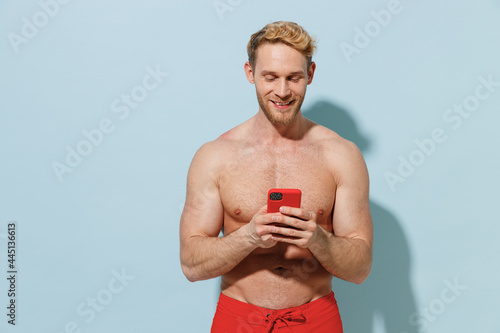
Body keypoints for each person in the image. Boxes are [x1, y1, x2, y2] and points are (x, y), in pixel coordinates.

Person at [179, 21, 373, 332]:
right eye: (270, 77)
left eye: (293, 78)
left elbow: (360, 268)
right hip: (239, 318)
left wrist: (318, 239)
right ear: (249, 73)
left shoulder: (342, 155)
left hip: (315, 317)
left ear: (310, 75)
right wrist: (248, 237)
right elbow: (191, 264)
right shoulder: (215, 156)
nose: (282, 92)